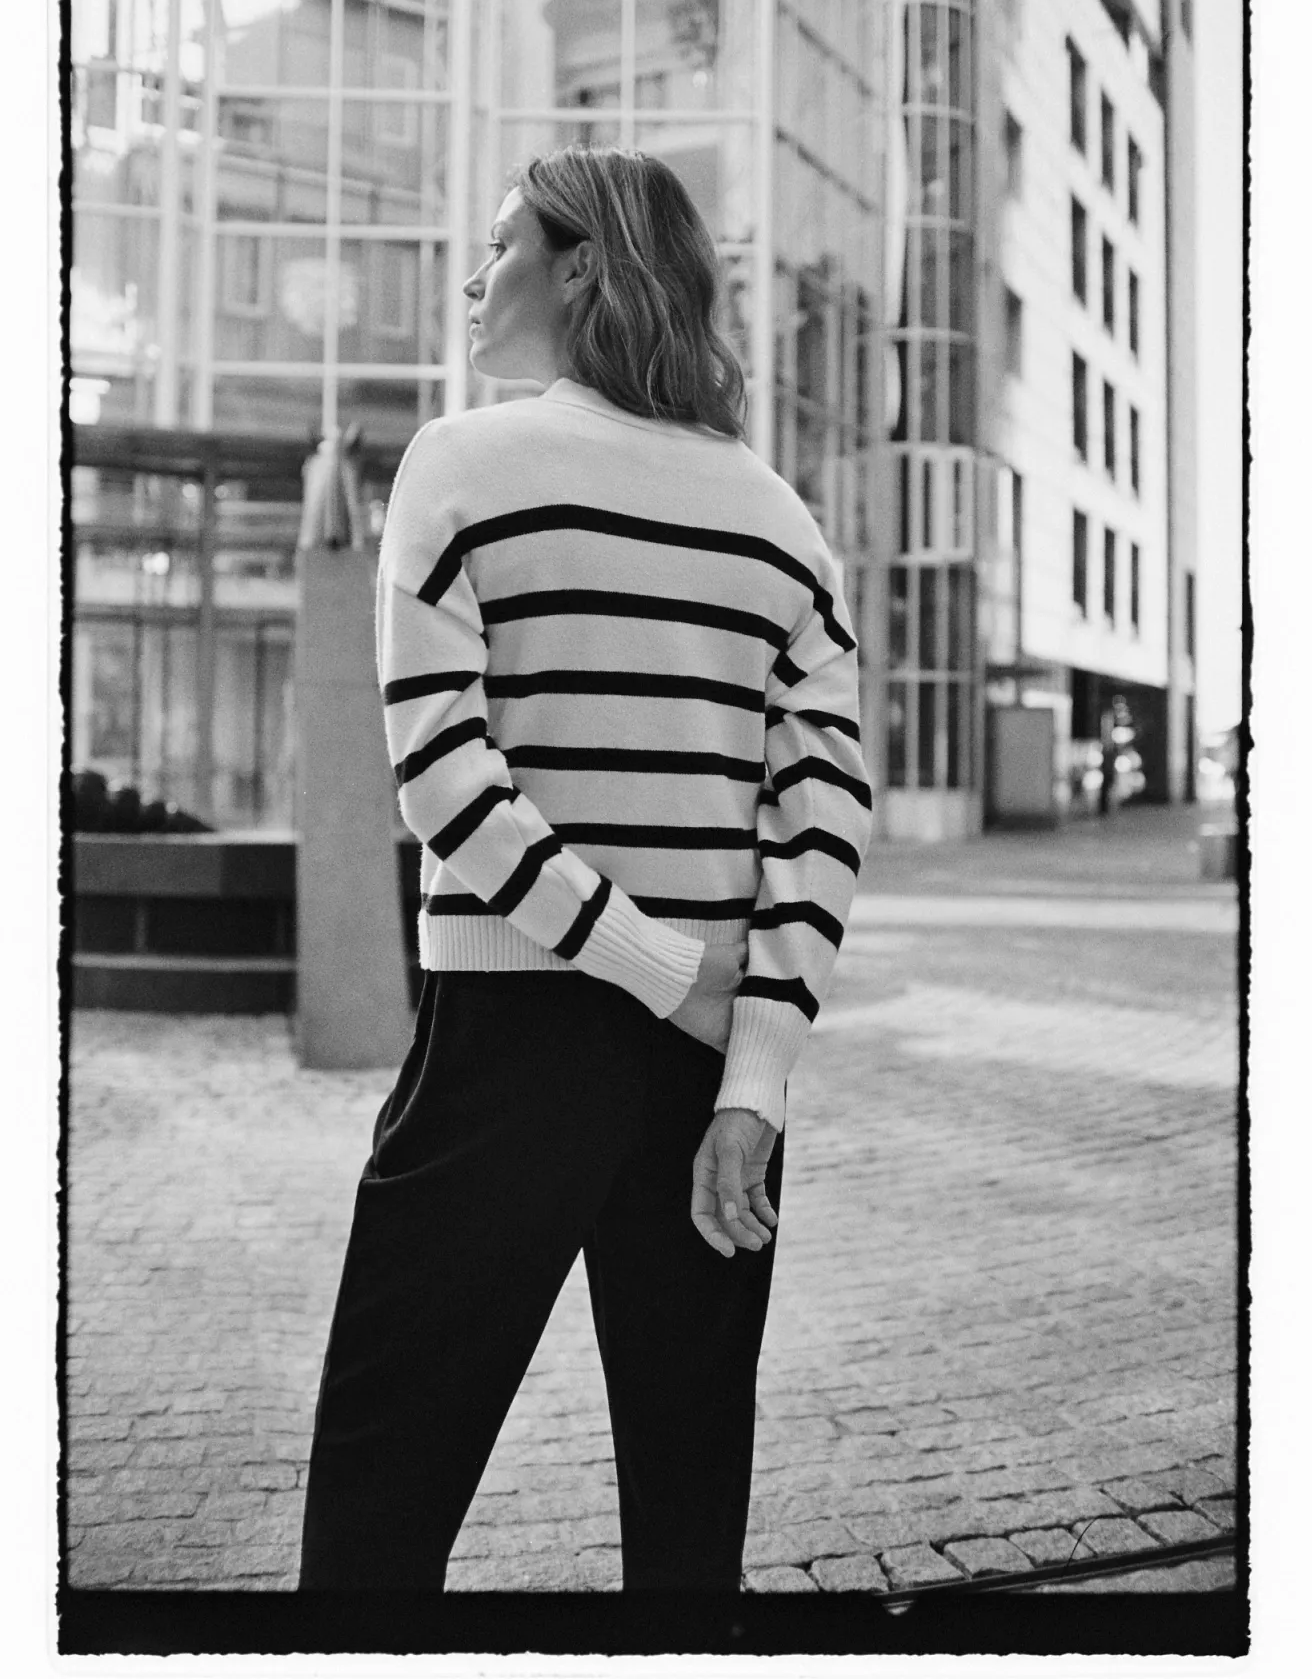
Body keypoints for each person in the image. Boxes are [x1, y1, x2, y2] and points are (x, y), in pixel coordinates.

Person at [298, 146, 872, 1592]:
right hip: (710, 1059)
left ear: (580, 267)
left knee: (378, 1505)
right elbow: (820, 819)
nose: (472, 276)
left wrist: (665, 983)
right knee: (690, 1517)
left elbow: (443, 777)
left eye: (501, 243)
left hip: (514, 1038)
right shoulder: (780, 519)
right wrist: (749, 1073)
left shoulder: (458, 464)